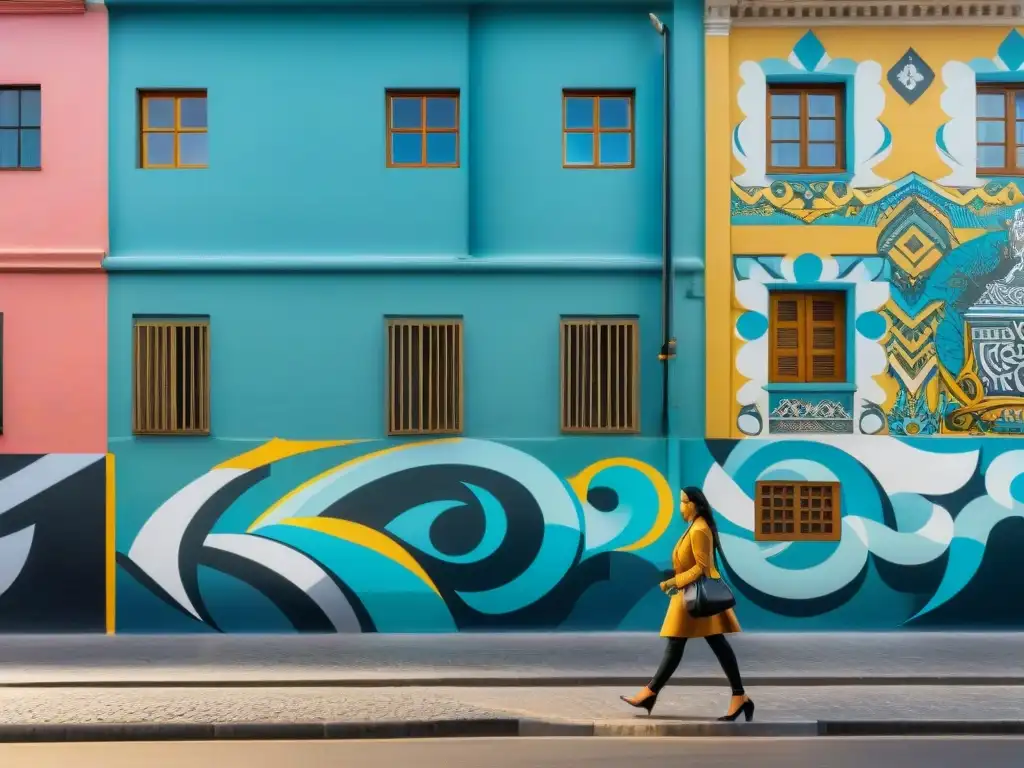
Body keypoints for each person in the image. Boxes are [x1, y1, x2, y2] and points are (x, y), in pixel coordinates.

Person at [619, 486, 753, 721]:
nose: (680, 506)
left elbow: (700, 568)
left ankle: (651, 693)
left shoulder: (699, 529)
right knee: (698, 645)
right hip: (689, 595)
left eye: (682, 501)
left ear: (693, 504)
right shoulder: (693, 527)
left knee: (695, 645)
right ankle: (738, 696)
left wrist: (671, 582)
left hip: (697, 596)